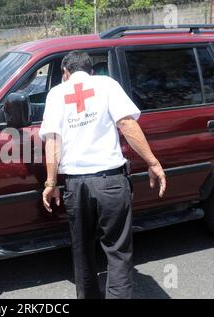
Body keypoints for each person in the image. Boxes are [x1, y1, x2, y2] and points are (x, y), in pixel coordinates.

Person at [39, 51, 166, 299]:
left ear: (66, 72)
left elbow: (52, 140)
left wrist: (51, 182)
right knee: (118, 252)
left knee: (82, 250)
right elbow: (127, 124)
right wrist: (153, 162)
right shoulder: (106, 84)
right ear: (91, 71)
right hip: (110, 182)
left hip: (75, 186)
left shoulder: (56, 93)